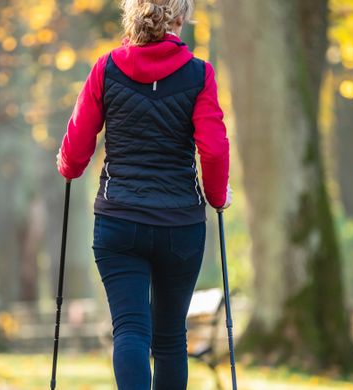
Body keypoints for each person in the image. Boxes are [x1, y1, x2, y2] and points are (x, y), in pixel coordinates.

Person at [55, 0, 231, 388]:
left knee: (130, 329)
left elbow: (77, 147)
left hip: (120, 221)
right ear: (180, 18)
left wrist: (67, 165)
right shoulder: (200, 75)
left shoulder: (107, 68)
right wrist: (218, 197)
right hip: (179, 224)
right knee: (170, 338)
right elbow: (214, 149)